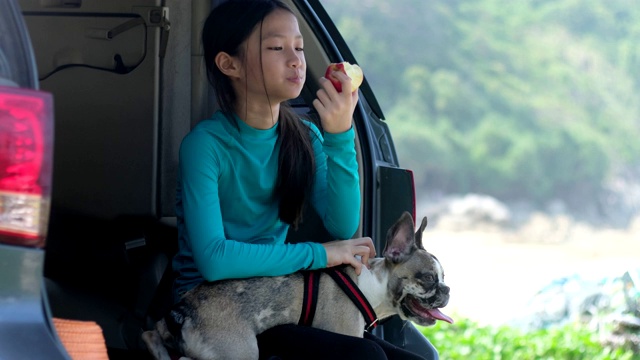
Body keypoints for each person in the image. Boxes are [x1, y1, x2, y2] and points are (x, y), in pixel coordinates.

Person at [171, 0, 435, 359]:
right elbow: (215, 260)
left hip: (277, 299)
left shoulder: (304, 137)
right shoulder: (205, 146)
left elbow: (342, 224)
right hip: (215, 308)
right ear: (228, 64)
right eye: (277, 48)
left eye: (298, 47)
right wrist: (319, 254)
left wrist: (340, 135)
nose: (296, 59)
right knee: (365, 357)